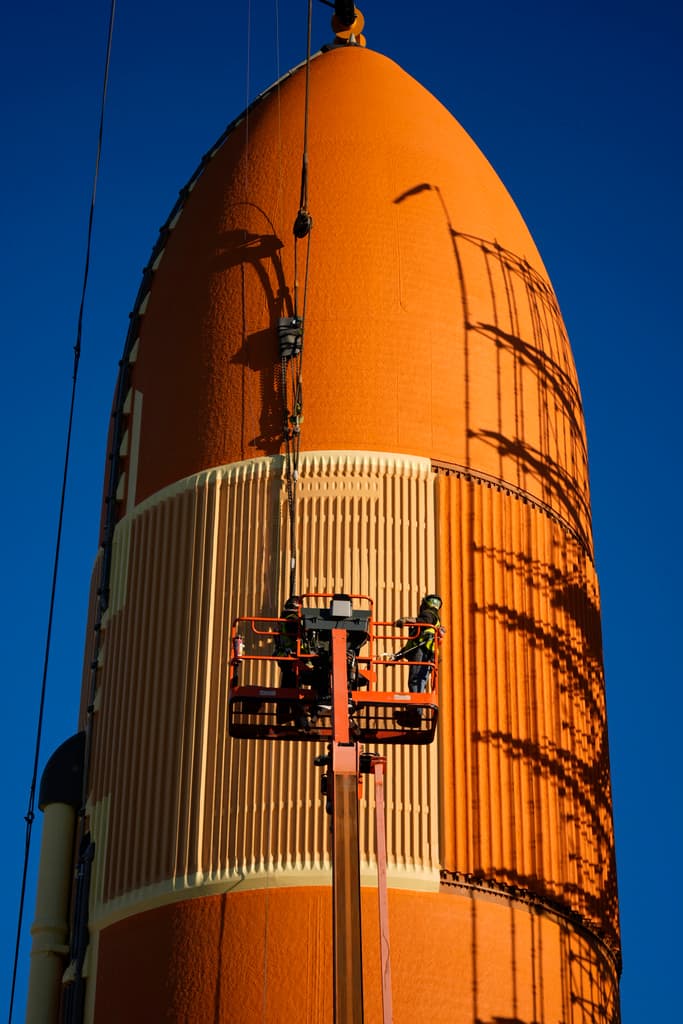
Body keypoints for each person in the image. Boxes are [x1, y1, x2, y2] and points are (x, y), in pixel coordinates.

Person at [393, 594, 444, 720]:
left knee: (415, 681)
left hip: (422, 652)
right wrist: (397, 656)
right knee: (418, 681)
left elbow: (422, 622)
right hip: (426, 653)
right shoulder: (434, 617)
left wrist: (406, 619)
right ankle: (415, 712)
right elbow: (412, 644)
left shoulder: (429, 614)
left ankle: (415, 714)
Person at [274, 595, 308, 728]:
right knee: (293, 691)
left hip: (286, 658)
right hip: (292, 658)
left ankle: (282, 715)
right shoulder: (292, 620)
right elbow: (296, 635)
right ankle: (301, 723)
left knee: (287, 688)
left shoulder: (283, 620)